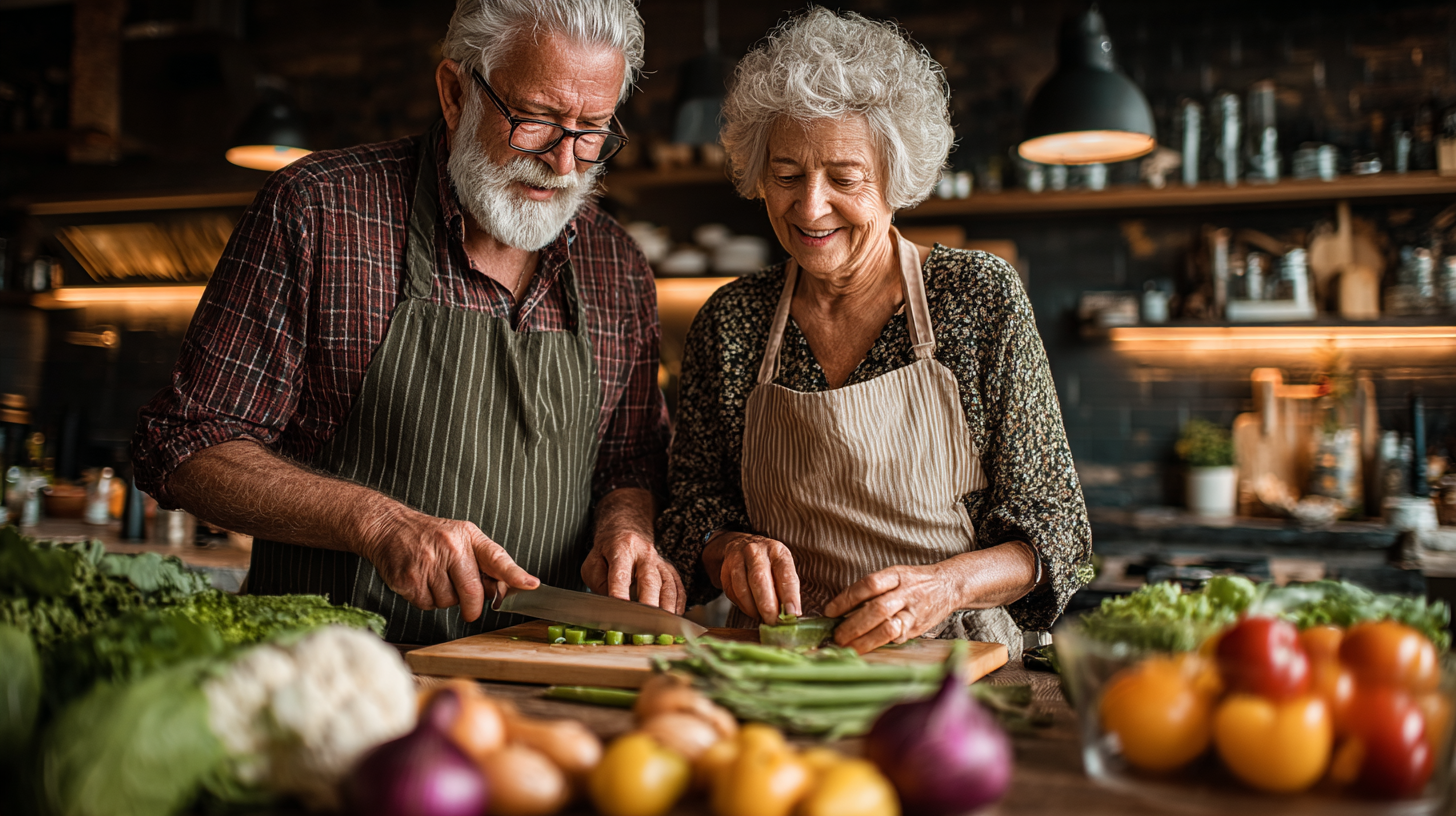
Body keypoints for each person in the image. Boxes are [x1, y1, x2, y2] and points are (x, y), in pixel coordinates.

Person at [132, 0, 681, 645]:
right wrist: (376, 522)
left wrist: (627, 528)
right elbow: (186, 445)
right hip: (330, 676)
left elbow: (631, 462)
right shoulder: (320, 212)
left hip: (538, 684)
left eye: (591, 130)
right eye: (535, 121)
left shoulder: (615, 264)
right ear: (454, 93)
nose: (564, 163)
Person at [657, 7, 1093, 657]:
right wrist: (729, 550)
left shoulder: (976, 298)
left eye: (844, 177)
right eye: (786, 175)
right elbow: (690, 511)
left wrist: (945, 586)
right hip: (778, 662)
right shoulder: (731, 321)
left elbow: (1061, 536)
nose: (809, 206)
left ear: (896, 174)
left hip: (954, 664)